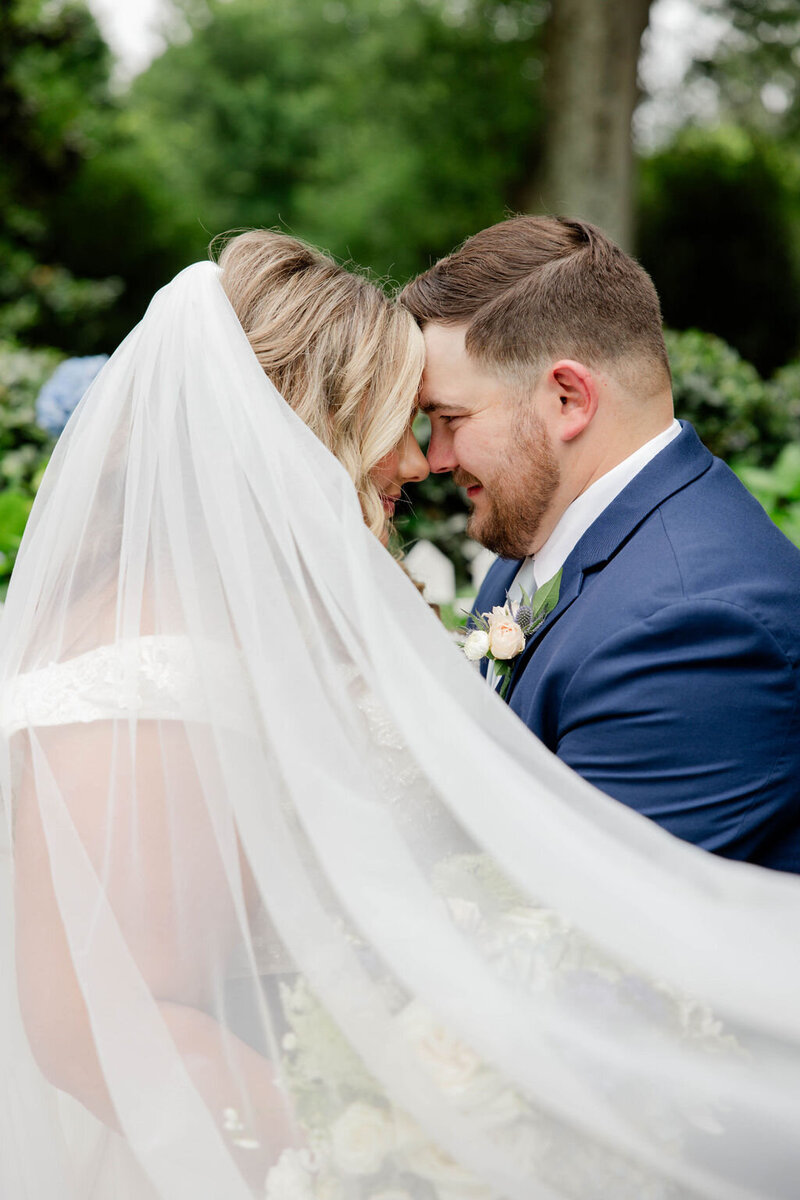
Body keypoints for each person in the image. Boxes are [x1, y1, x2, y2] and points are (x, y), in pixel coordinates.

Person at [2, 228, 800, 1200]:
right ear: (307, 428)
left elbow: (595, 957)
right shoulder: (156, 669)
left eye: (440, 417)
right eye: (405, 419)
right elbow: (97, 1015)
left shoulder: (681, 611)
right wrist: (365, 1160)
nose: (420, 461)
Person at [401, 215, 800, 873]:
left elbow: (585, 943)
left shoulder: (698, 629)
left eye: (450, 419)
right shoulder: (539, 536)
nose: (435, 457)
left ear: (567, 399)